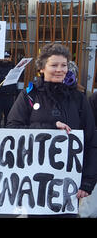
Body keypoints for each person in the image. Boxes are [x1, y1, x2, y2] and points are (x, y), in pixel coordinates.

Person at [6, 43, 97, 217]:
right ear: (41, 68)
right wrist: (49, 130)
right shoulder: (28, 95)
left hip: (68, 187)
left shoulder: (78, 98)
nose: (60, 69)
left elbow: (91, 140)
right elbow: (12, 129)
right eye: (54, 65)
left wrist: (88, 181)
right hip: (33, 183)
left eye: (64, 65)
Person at [0, 52, 18, 126]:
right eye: (4, 57)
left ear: (10, 58)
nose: (5, 58)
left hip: (10, 95)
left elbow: (17, 78)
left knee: (8, 115)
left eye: (7, 57)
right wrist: (6, 77)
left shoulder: (14, 68)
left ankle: (7, 129)